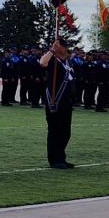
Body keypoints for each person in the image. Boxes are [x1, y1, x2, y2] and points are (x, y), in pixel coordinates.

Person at [41, 38, 76, 169]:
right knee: (55, 131)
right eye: (63, 45)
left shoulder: (67, 62)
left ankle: (61, 157)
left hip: (67, 102)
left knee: (65, 132)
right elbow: (42, 63)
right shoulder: (53, 61)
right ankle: (55, 160)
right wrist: (52, 50)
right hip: (55, 101)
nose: (66, 48)